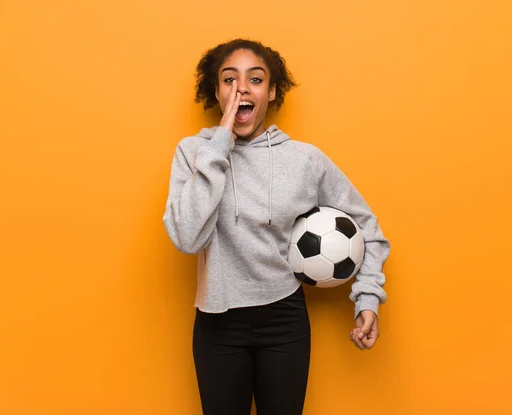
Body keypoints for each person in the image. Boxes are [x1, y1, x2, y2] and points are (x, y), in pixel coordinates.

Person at [162, 38, 390, 415]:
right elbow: (186, 237)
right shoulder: (194, 153)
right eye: (229, 80)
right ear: (216, 92)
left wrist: (368, 297)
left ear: (270, 92)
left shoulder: (304, 160)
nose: (241, 89)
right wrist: (219, 144)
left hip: (284, 321)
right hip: (218, 325)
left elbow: (368, 228)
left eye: (255, 79)